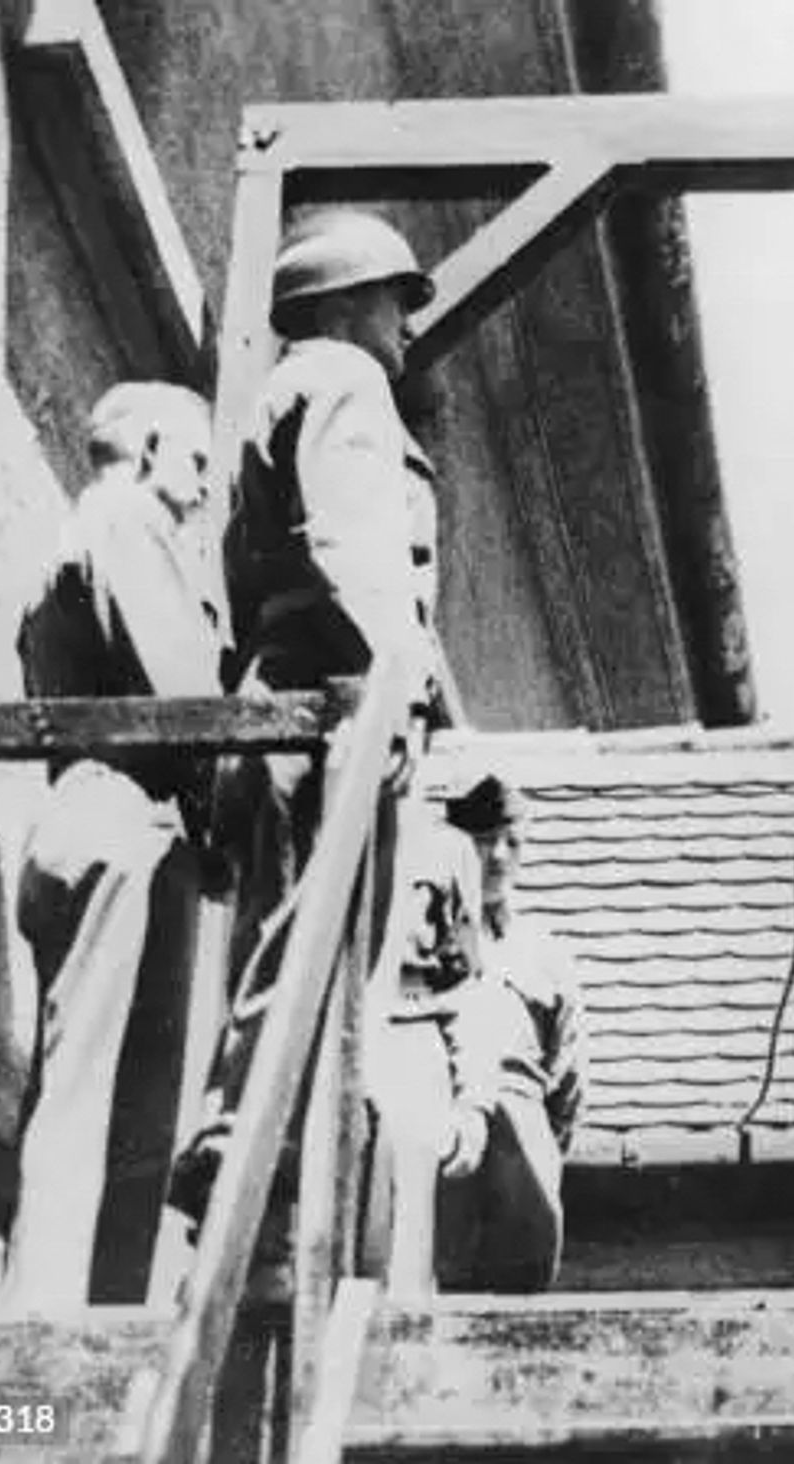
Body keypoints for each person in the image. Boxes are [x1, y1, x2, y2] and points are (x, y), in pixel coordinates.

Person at [171, 207, 446, 1229]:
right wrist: (397, 690)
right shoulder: (342, 379)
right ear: (338, 303)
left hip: (290, 689)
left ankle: (240, 1137)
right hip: (336, 696)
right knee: (315, 935)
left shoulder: (291, 389)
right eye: (394, 298)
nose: (408, 324)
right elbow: (351, 549)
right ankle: (259, 1144)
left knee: (289, 934)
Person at [2, 382, 224, 1308]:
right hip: (123, 817)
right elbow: (184, 694)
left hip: (82, 815)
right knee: (103, 1101)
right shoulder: (126, 518)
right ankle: (52, 1341)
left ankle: (68, 1319)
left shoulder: (75, 536)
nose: (207, 490)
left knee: (92, 1089)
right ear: (149, 447)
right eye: (199, 462)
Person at [364, 774, 583, 1293]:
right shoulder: (421, 948)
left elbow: (570, 1078)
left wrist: (541, 1154)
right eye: (485, 841)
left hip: (521, 1145)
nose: (500, 856)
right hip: (443, 1145)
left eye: (513, 842)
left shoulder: (544, 952)